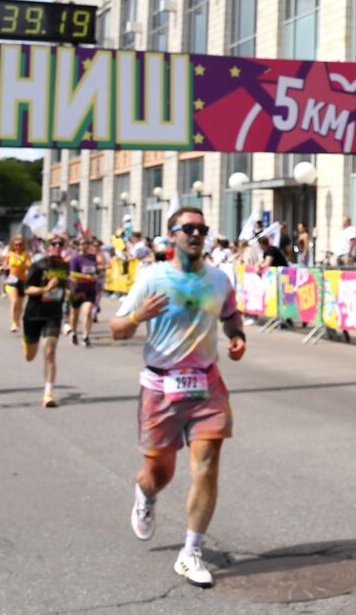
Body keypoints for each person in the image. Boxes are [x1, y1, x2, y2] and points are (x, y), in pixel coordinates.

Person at [111, 206, 245, 589]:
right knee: (160, 472)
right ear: (172, 235)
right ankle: (145, 494)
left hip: (207, 384)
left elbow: (231, 315)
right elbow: (117, 328)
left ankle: (191, 552)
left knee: (206, 464)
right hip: (161, 388)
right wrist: (138, 317)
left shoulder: (219, 279)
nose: (196, 234)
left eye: (202, 228)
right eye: (188, 228)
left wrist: (238, 336)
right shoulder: (152, 277)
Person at [22, 234, 70, 408]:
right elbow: (27, 289)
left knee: (49, 352)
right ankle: (26, 343)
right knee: (30, 356)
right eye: (54, 244)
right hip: (33, 314)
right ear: (48, 246)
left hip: (53, 314)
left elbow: (66, 287)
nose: (57, 246)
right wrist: (46, 288)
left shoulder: (65, 266)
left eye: (60, 244)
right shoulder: (38, 265)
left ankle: (48, 393)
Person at [68, 236, 102, 346]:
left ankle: (86, 336)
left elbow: (95, 271)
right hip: (77, 289)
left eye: (86, 244)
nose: (84, 246)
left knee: (87, 312)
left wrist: (97, 275)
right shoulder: (75, 259)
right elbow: (73, 274)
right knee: (75, 314)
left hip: (90, 289)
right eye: (82, 244)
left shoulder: (92, 258)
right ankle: (73, 332)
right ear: (78, 246)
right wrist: (87, 277)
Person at [4, 236, 30, 333]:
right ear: (13, 246)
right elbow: (4, 266)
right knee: (14, 302)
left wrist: (21, 259)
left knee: (19, 305)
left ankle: (17, 321)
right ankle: (14, 322)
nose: (18, 246)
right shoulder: (9, 255)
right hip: (11, 281)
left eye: (20, 244)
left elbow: (29, 266)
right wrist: (2, 269)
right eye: (16, 245)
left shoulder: (26, 254)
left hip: (22, 281)